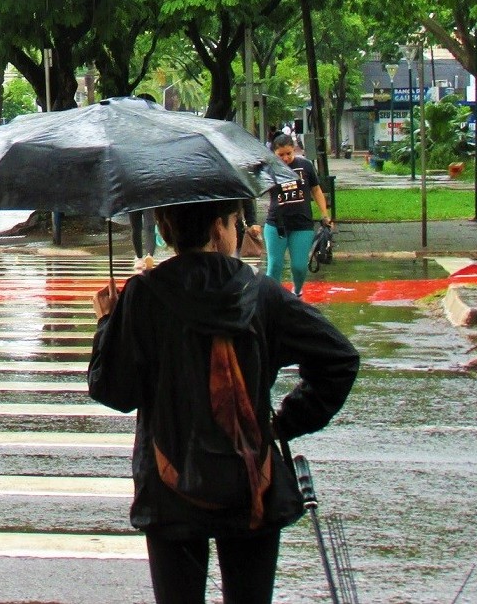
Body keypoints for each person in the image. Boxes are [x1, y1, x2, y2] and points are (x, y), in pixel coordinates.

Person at [88, 198, 359, 604]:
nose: (238, 230)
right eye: (236, 221)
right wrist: (284, 423)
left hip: (170, 484)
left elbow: (114, 390)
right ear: (218, 229)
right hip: (252, 481)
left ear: (164, 229)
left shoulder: (143, 295)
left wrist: (108, 323)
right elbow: (338, 358)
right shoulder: (261, 293)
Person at [263, 132, 334, 298]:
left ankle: (297, 293)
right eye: (281, 155)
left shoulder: (305, 166)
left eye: (289, 153)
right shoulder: (269, 168)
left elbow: (316, 190)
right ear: (273, 153)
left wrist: (325, 214)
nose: (286, 158)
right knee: (274, 265)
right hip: (276, 224)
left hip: (302, 224)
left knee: (299, 266)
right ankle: (271, 298)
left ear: (294, 150)